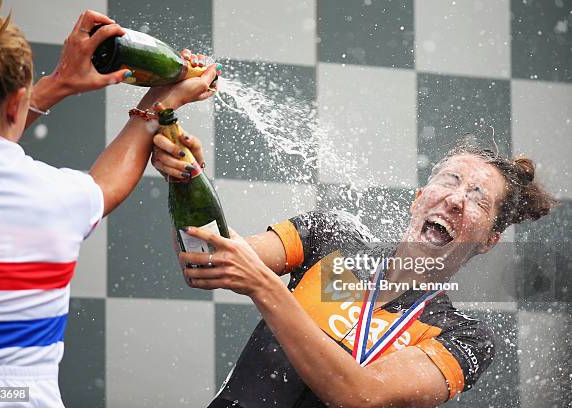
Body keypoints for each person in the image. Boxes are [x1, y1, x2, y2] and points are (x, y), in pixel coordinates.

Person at [153, 125, 557, 406]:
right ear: (419, 197)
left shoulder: (465, 337)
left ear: (488, 241)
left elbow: (358, 395)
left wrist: (265, 287)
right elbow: (205, 263)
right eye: (449, 180)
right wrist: (188, 182)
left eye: (478, 199)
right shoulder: (331, 238)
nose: (455, 199)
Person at [0, 1, 216, 406]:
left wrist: (59, 83)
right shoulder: (52, 200)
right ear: (15, 104)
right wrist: (162, 102)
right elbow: (109, 181)